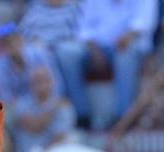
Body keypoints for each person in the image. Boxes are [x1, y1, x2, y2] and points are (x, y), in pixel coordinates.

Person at [54, 0, 157, 129]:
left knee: (125, 55)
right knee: (66, 53)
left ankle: (123, 117)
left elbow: (144, 23)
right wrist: (93, 47)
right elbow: (83, 28)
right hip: (95, 46)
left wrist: (128, 36)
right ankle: (81, 115)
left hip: (129, 44)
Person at [9, 64, 75, 152]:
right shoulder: (22, 103)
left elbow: (61, 136)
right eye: (37, 80)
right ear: (31, 84)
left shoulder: (64, 106)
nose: (41, 84)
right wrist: (54, 108)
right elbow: (33, 126)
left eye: (44, 79)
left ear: (52, 82)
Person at [0, 21, 59, 103]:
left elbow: (56, 82)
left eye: (15, 40)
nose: (13, 45)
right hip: (20, 108)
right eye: (7, 43)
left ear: (21, 39)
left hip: (47, 100)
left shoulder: (40, 54)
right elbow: (5, 98)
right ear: (3, 47)